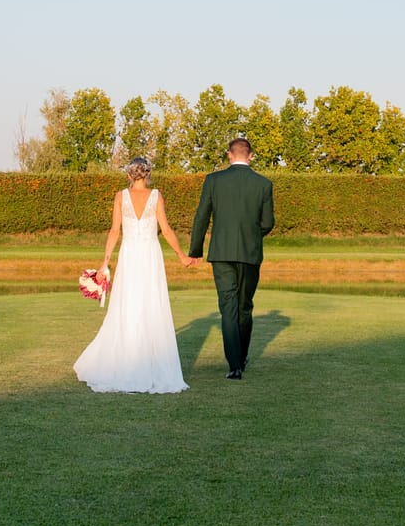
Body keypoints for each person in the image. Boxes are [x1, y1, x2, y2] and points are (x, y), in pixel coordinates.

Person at [74, 157, 188, 393]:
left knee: (129, 303)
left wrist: (105, 263)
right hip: (149, 255)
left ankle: (130, 357)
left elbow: (114, 231)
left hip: (130, 254)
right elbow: (165, 230)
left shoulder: (120, 196)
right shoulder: (156, 196)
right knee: (149, 302)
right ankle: (146, 359)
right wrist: (181, 255)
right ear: (147, 174)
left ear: (129, 175)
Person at [183, 136, 275, 378]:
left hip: (221, 252)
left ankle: (234, 365)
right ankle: (241, 357)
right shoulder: (263, 184)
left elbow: (201, 216)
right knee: (245, 307)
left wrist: (195, 251)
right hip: (251, 252)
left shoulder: (213, 180)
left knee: (228, 307)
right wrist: (252, 236)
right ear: (251, 156)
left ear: (229, 155)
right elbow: (268, 223)